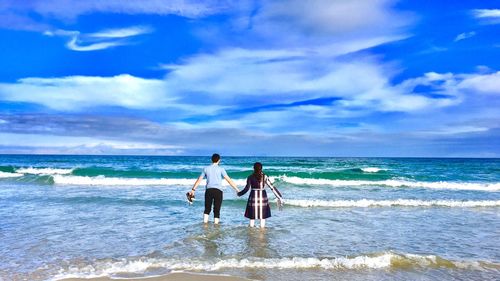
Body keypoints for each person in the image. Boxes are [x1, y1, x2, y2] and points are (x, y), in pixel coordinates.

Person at [189, 153, 240, 224]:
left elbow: (199, 179)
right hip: (218, 191)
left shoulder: (206, 168)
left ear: (211, 160)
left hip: (209, 191)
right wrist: (237, 189)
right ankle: (216, 226)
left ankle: (205, 224)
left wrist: (193, 189)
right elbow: (228, 180)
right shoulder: (221, 169)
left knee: (207, 209)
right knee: (217, 209)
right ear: (219, 160)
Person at [237, 162, 284, 228]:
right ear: (261, 168)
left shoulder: (250, 177)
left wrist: (239, 194)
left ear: (253, 168)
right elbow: (272, 187)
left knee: (252, 216)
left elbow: (247, 189)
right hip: (263, 197)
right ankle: (262, 232)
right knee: (262, 217)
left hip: (253, 196)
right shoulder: (265, 176)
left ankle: (251, 232)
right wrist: (279, 196)